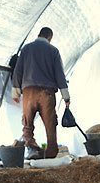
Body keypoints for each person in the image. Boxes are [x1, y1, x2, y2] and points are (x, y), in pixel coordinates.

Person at [11, 27, 70, 159]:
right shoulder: (53, 51)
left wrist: (16, 92)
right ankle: (50, 156)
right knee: (50, 125)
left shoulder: (26, 49)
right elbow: (60, 75)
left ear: (39, 35)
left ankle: (32, 149)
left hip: (29, 93)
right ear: (49, 38)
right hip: (47, 94)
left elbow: (18, 71)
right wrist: (66, 97)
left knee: (27, 124)